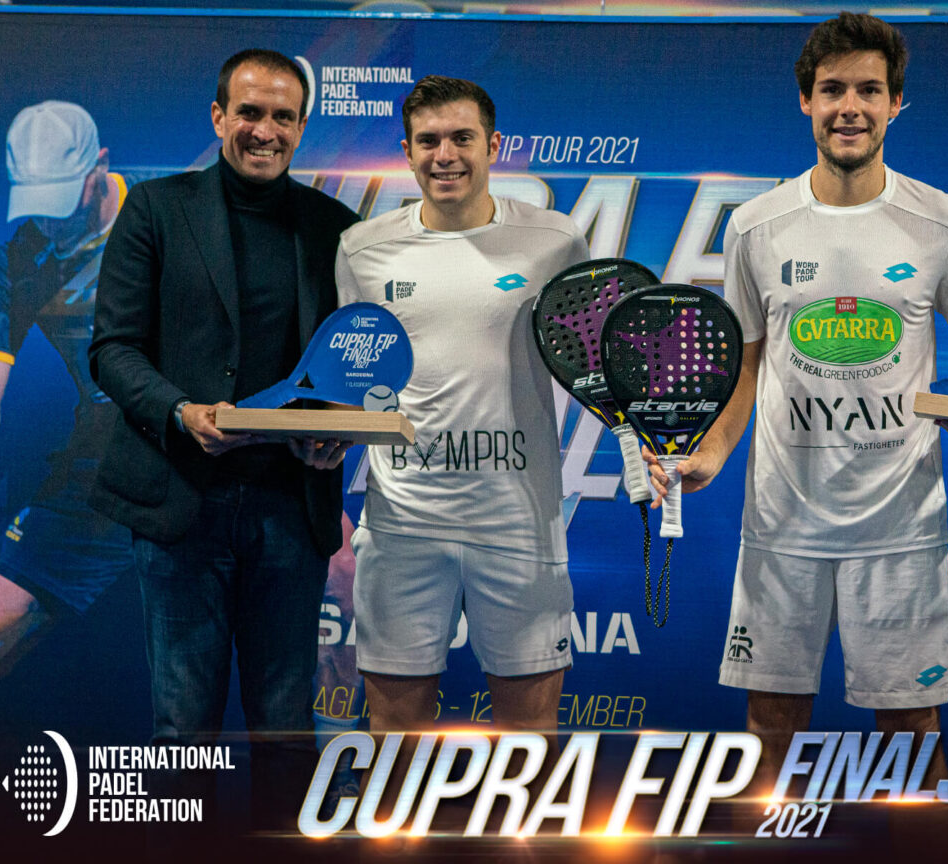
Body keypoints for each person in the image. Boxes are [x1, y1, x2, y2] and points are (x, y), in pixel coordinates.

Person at [659, 12, 948, 794]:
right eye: (833, 89)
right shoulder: (756, 225)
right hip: (782, 523)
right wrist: (709, 455)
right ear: (806, 101)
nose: (850, 107)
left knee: (913, 736)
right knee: (770, 731)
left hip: (901, 527)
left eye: (869, 91)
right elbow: (746, 364)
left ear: (896, 104)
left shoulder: (943, 219)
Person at [88, 49, 358, 829]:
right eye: (249, 112)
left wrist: (335, 436)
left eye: (282, 117)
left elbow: (354, 368)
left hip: (290, 512)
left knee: (286, 734)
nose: (264, 130)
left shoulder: (337, 231)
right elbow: (112, 349)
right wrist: (180, 411)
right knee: (181, 735)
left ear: (301, 128)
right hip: (181, 508)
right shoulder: (155, 210)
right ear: (218, 117)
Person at [333, 75, 588, 737]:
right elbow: (351, 380)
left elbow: (588, 362)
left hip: (518, 523)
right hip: (403, 524)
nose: (444, 155)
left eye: (461, 138)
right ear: (407, 151)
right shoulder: (362, 249)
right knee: (394, 741)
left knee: (528, 743)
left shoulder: (556, 240)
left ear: (493, 145)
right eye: (428, 141)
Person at [0, 101, 131, 759]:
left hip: (211, 455)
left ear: (100, 168)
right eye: (38, 205)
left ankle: (347, 775)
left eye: (63, 202)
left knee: (340, 578)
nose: (51, 223)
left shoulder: (167, 220)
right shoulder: (18, 262)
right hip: (100, 472)